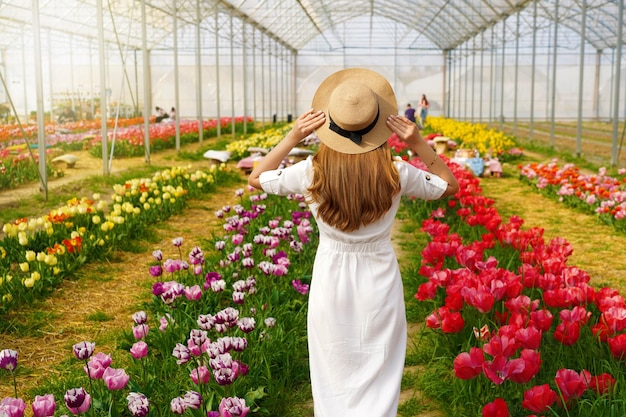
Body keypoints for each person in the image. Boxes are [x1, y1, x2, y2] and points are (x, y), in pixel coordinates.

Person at [248, 68, 459, 417]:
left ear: (329, 124)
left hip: (331, 277)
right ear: (379, 126)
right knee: (380, 369)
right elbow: (449, 185)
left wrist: (292, 138)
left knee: (333, 369)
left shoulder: (312, 171)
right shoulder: (397, 170)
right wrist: (418, 142)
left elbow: (258, 178)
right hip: (379, 277)